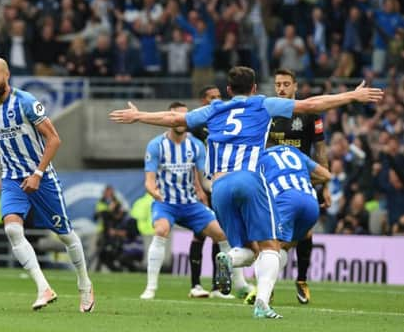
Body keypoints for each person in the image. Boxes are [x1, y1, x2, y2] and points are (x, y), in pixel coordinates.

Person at [110, 66, 383, 318]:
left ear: (228, 90)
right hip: (249, 181)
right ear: (254, 88)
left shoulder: (214, 109)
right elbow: (311, 105)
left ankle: (227, 258)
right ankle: (262, 304)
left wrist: (138, 116)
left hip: (219, 187)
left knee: (243, 248)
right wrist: (352, 95)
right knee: (271, 248)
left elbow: (174, 117)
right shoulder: (262, 104)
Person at [0, 57, 95, 313]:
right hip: (11, 178)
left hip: (42, 179)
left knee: (65, 235)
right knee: (12, 231)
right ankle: (44, 287)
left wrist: (38, 173)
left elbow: (54, 139)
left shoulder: (26, 102)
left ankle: (84, 283)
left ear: (6, 76)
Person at [139, 101, 229, 300]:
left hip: (191, 204)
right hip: (166, 203)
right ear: (170, 118)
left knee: (222, 234)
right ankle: (150, 288)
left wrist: (217, 187)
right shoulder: (156, 145)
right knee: (161, 230)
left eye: (184, 118)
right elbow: (149, 181)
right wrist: (154, 193)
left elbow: (204, 178)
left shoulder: (196, 146)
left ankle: (225, 286)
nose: (180, 122)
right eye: (177, 117)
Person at [268, 68, 330, 304]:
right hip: (275, 183)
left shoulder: (309, 114)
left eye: (286, 84)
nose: (281, 88)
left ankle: (301, 280)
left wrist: (325, 186)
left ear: (295, 86)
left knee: (306, 232)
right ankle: (268, 283)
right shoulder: (268, 114)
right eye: (278, 84)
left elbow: (321, 150)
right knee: (275, 234)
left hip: (304, 180)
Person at [187, 85, 253, 300]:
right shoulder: (196, 127)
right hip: (204, 186)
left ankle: (217, 286)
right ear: (202, 100)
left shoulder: (224, 120)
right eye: (211, 97)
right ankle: (196, 284)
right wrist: (198, 188)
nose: (216, 100)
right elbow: (191, 161)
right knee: (200, 235)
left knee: (220, 236)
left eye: (218, 96)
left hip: (220, 182)